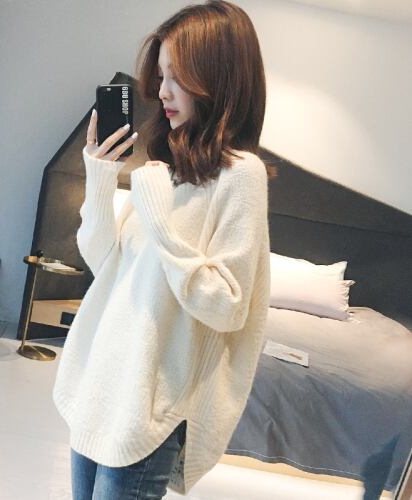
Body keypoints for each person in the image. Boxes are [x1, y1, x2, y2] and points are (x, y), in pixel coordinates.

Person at [52, 1, 274, 498]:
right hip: (103, 385)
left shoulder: (241, 176)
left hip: (147, 406)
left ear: (219, 78)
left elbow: (228, 305)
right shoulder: (166, 170)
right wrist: (100, 173)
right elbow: (103, 262)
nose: (162, 91)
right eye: (162, 75)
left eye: (179, 77)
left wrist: (160, 221)